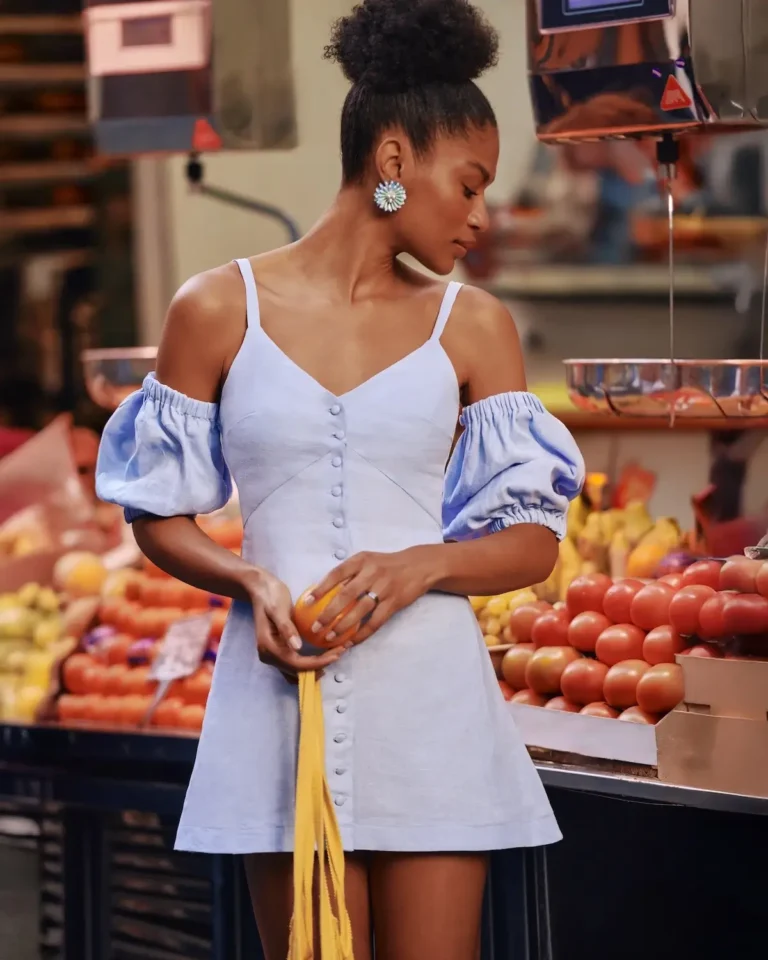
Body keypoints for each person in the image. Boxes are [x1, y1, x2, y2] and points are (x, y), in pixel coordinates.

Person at [96, 2, 585, 957]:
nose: (482, 218)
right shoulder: (214, 308)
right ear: (394, 162)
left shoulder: (475, 325)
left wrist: (421, 567)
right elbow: (156, 509)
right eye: (471, 186)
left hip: (432, 705)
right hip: (277, 705)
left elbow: (534, 541)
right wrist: (248, 582)